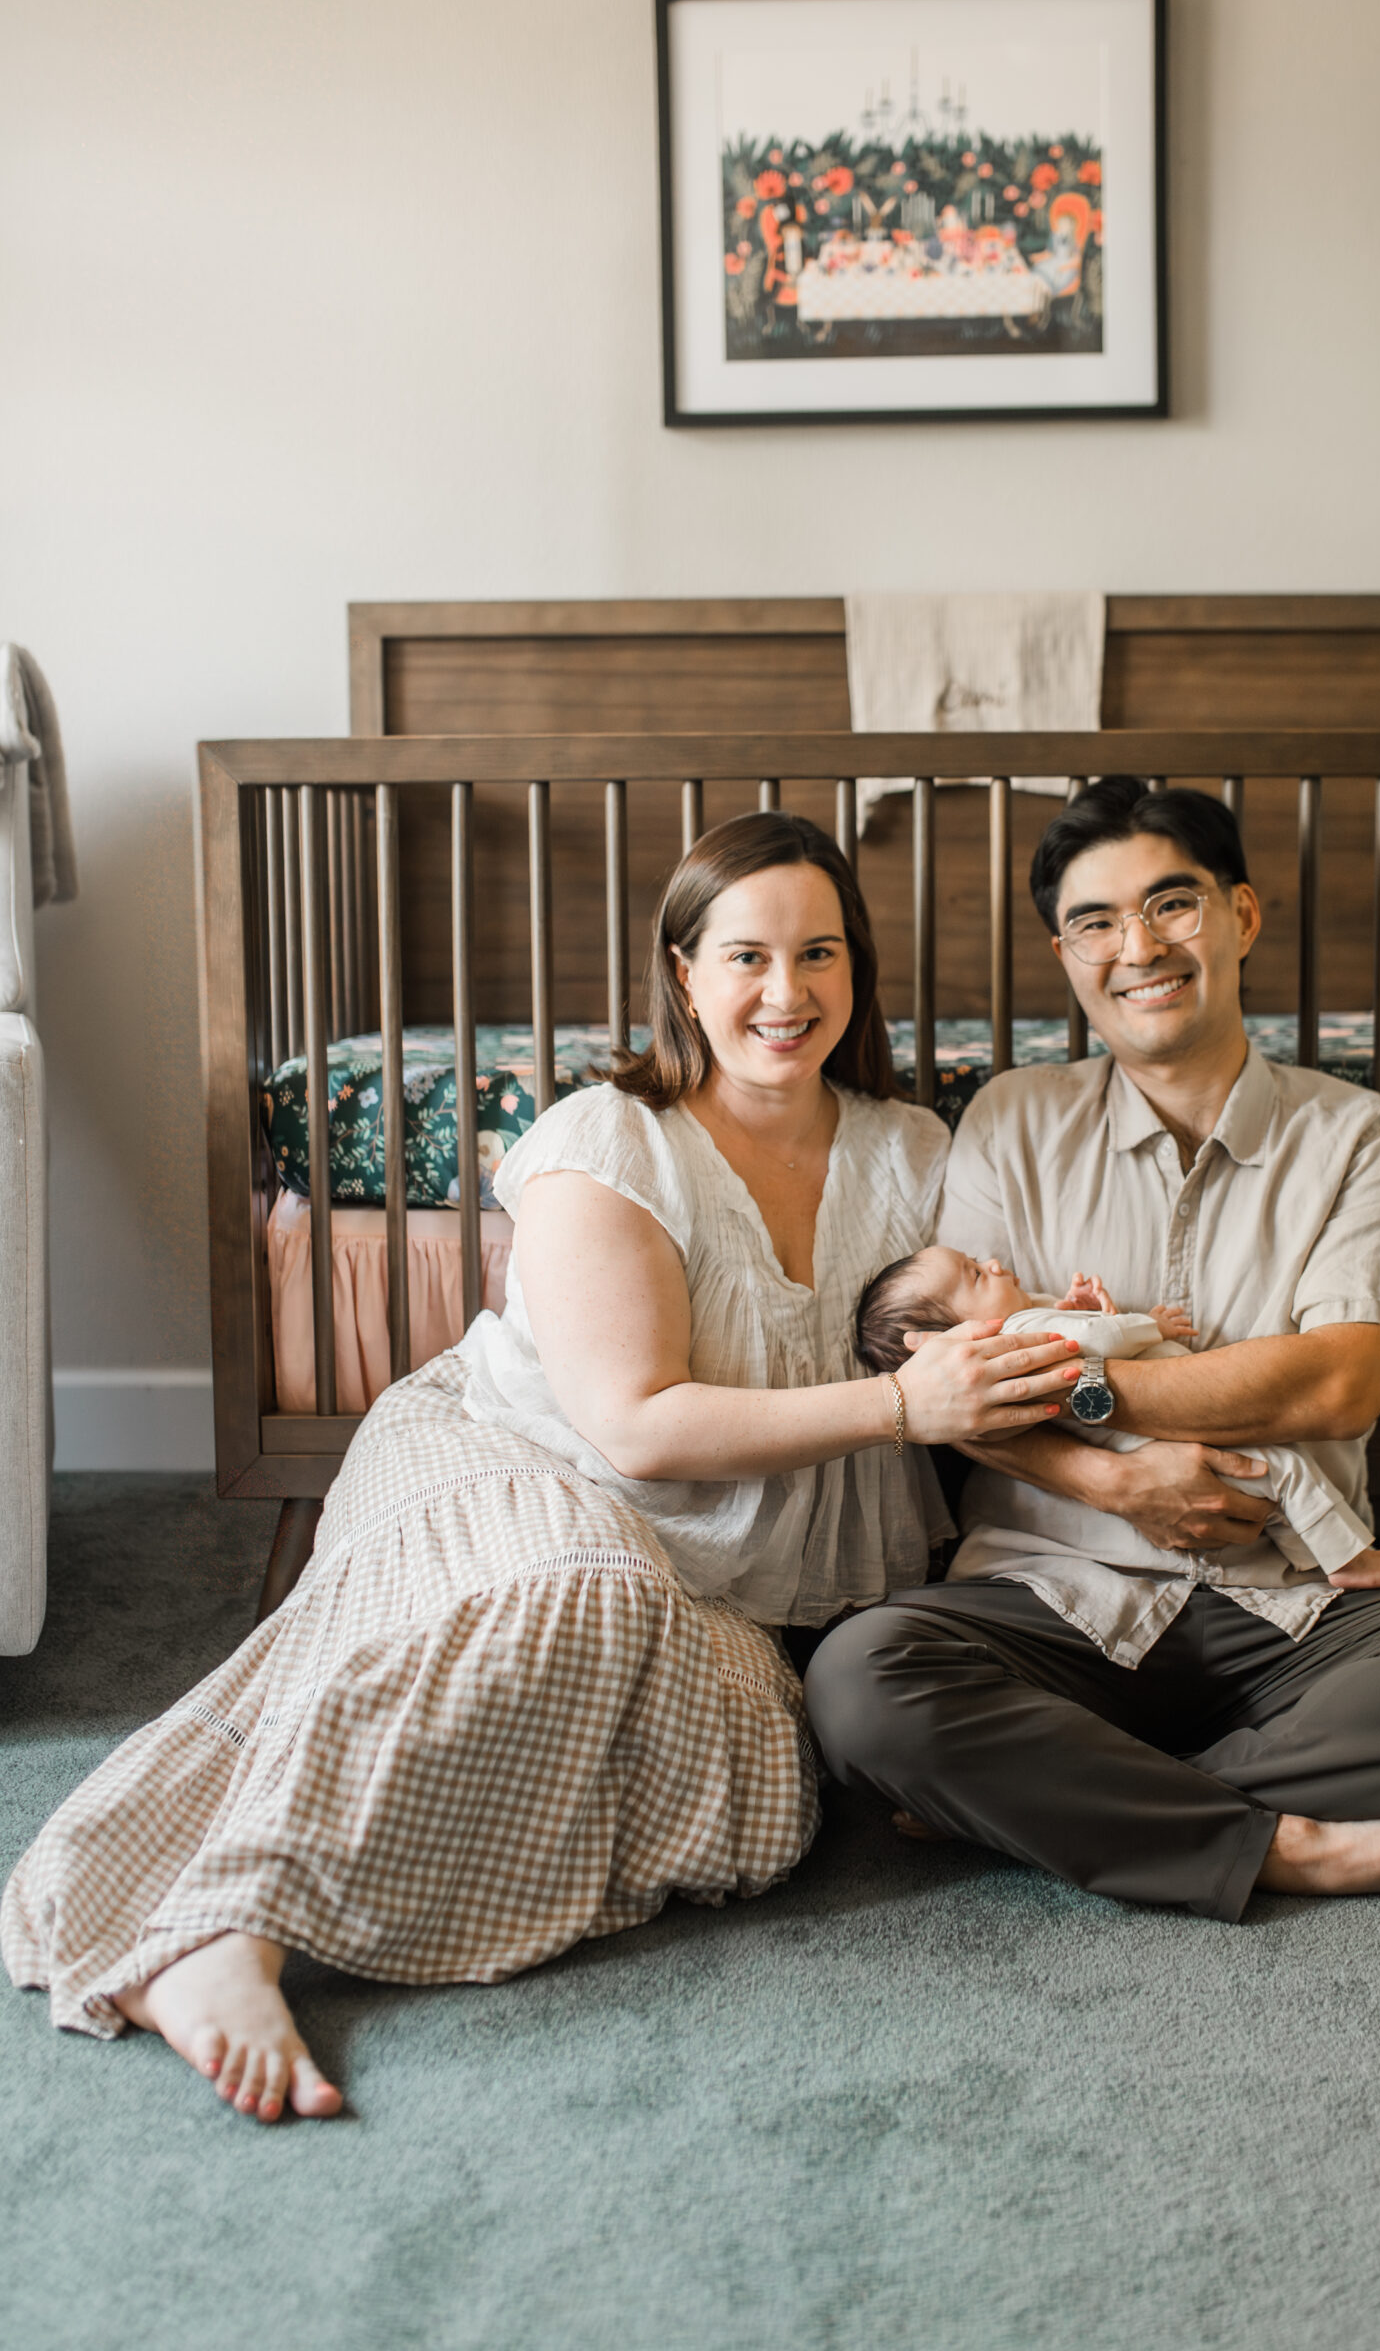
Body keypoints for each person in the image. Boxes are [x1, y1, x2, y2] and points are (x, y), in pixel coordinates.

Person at [3, 812, 1078, 2120]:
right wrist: (895, 1406)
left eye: (819, 954)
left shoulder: (910, 1149)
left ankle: (331, 1875)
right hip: (522, 1464)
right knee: (584, 1596)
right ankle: (230, 1923)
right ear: (681, 973)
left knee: (756, 1797)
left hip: (745, 1572)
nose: (786, 994)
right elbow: (632, 1425)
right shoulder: (608, 1141)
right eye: (744, 957)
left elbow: (981, 1340)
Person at [807, 782, 1380, 1920]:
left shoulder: (1370, 1142)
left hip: (1295, 1609)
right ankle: (1313, 1845)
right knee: (859, 1681)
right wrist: (1117, 1482)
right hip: (1055, 1603)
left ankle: (1065, 1799)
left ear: (1241, 915)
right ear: (1066, 950)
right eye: (1095, 921)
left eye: (1171, 904)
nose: (1136, 946)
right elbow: (964, 1394)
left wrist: (1088, 1392)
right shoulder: (1009, 1118)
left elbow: (1337, 1383)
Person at [854, 1246, 1380, 1591]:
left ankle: (1318, 1557)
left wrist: (1070, 1308)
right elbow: (1101, 1340)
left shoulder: (1005, 1358)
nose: (994, 1262)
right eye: (976, 1275)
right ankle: (1349, 1559)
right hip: (1176, 1433)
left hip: (1149, 1442)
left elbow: (1078, 1341)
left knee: (1276, 1491)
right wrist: (1149, 1325)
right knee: (1287, 1472)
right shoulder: (1014, 1334)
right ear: (959, 1335)